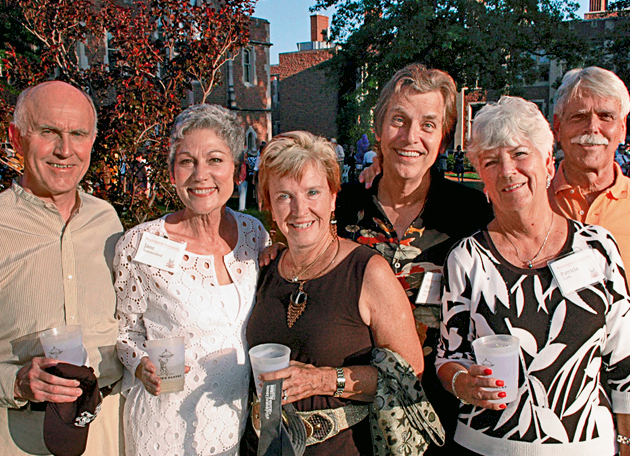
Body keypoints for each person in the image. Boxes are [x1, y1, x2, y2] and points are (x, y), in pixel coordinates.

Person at [436, 96, 630, 455]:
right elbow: (450, 355)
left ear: (548, 163)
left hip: (588, 447)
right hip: (485, 447)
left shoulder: (598, 247)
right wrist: (463, 382)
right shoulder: (467, 258)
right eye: (491, 162)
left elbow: (625, 357)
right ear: (482, 179)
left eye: (520, 154)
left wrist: (627, 439)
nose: (508, 170)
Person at [336, 63, 493, 454]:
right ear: (378, 128)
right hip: (351, 421)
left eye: (428, 124)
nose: (411, 137)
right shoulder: (341, 208)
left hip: (442, 422)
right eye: (398, 120)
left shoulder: (472, 214)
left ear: (443, 138)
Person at [246, 131, 424, 455]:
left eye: (312, 192)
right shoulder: (264, 269)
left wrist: (325, 380)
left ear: (332, 198)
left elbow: (409, 375)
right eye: (284, 196)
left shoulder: (367, 272)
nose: (299, 209)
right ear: (269, 204)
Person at [114, 104, 269, 455]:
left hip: (232, 420)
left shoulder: (254, 234)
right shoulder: (139, 244)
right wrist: (141, 365)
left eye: (215, 160)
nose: (201, 175)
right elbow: (124, 333)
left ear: (239, 171)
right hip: (163, 424)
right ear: (172, 173)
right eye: (187, 162)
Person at [0, 81, 124, 455]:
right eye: (49, 132)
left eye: (78, 134)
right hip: (22, 433)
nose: (65, 149)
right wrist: (15, 382)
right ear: (17, 137)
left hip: (107, 426)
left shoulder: (107, 221)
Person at [550, 66, 630, 266]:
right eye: (579, 116)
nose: (592, 127)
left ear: (622, 128)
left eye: (606, 116)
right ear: (558, 127)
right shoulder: (531, 203)